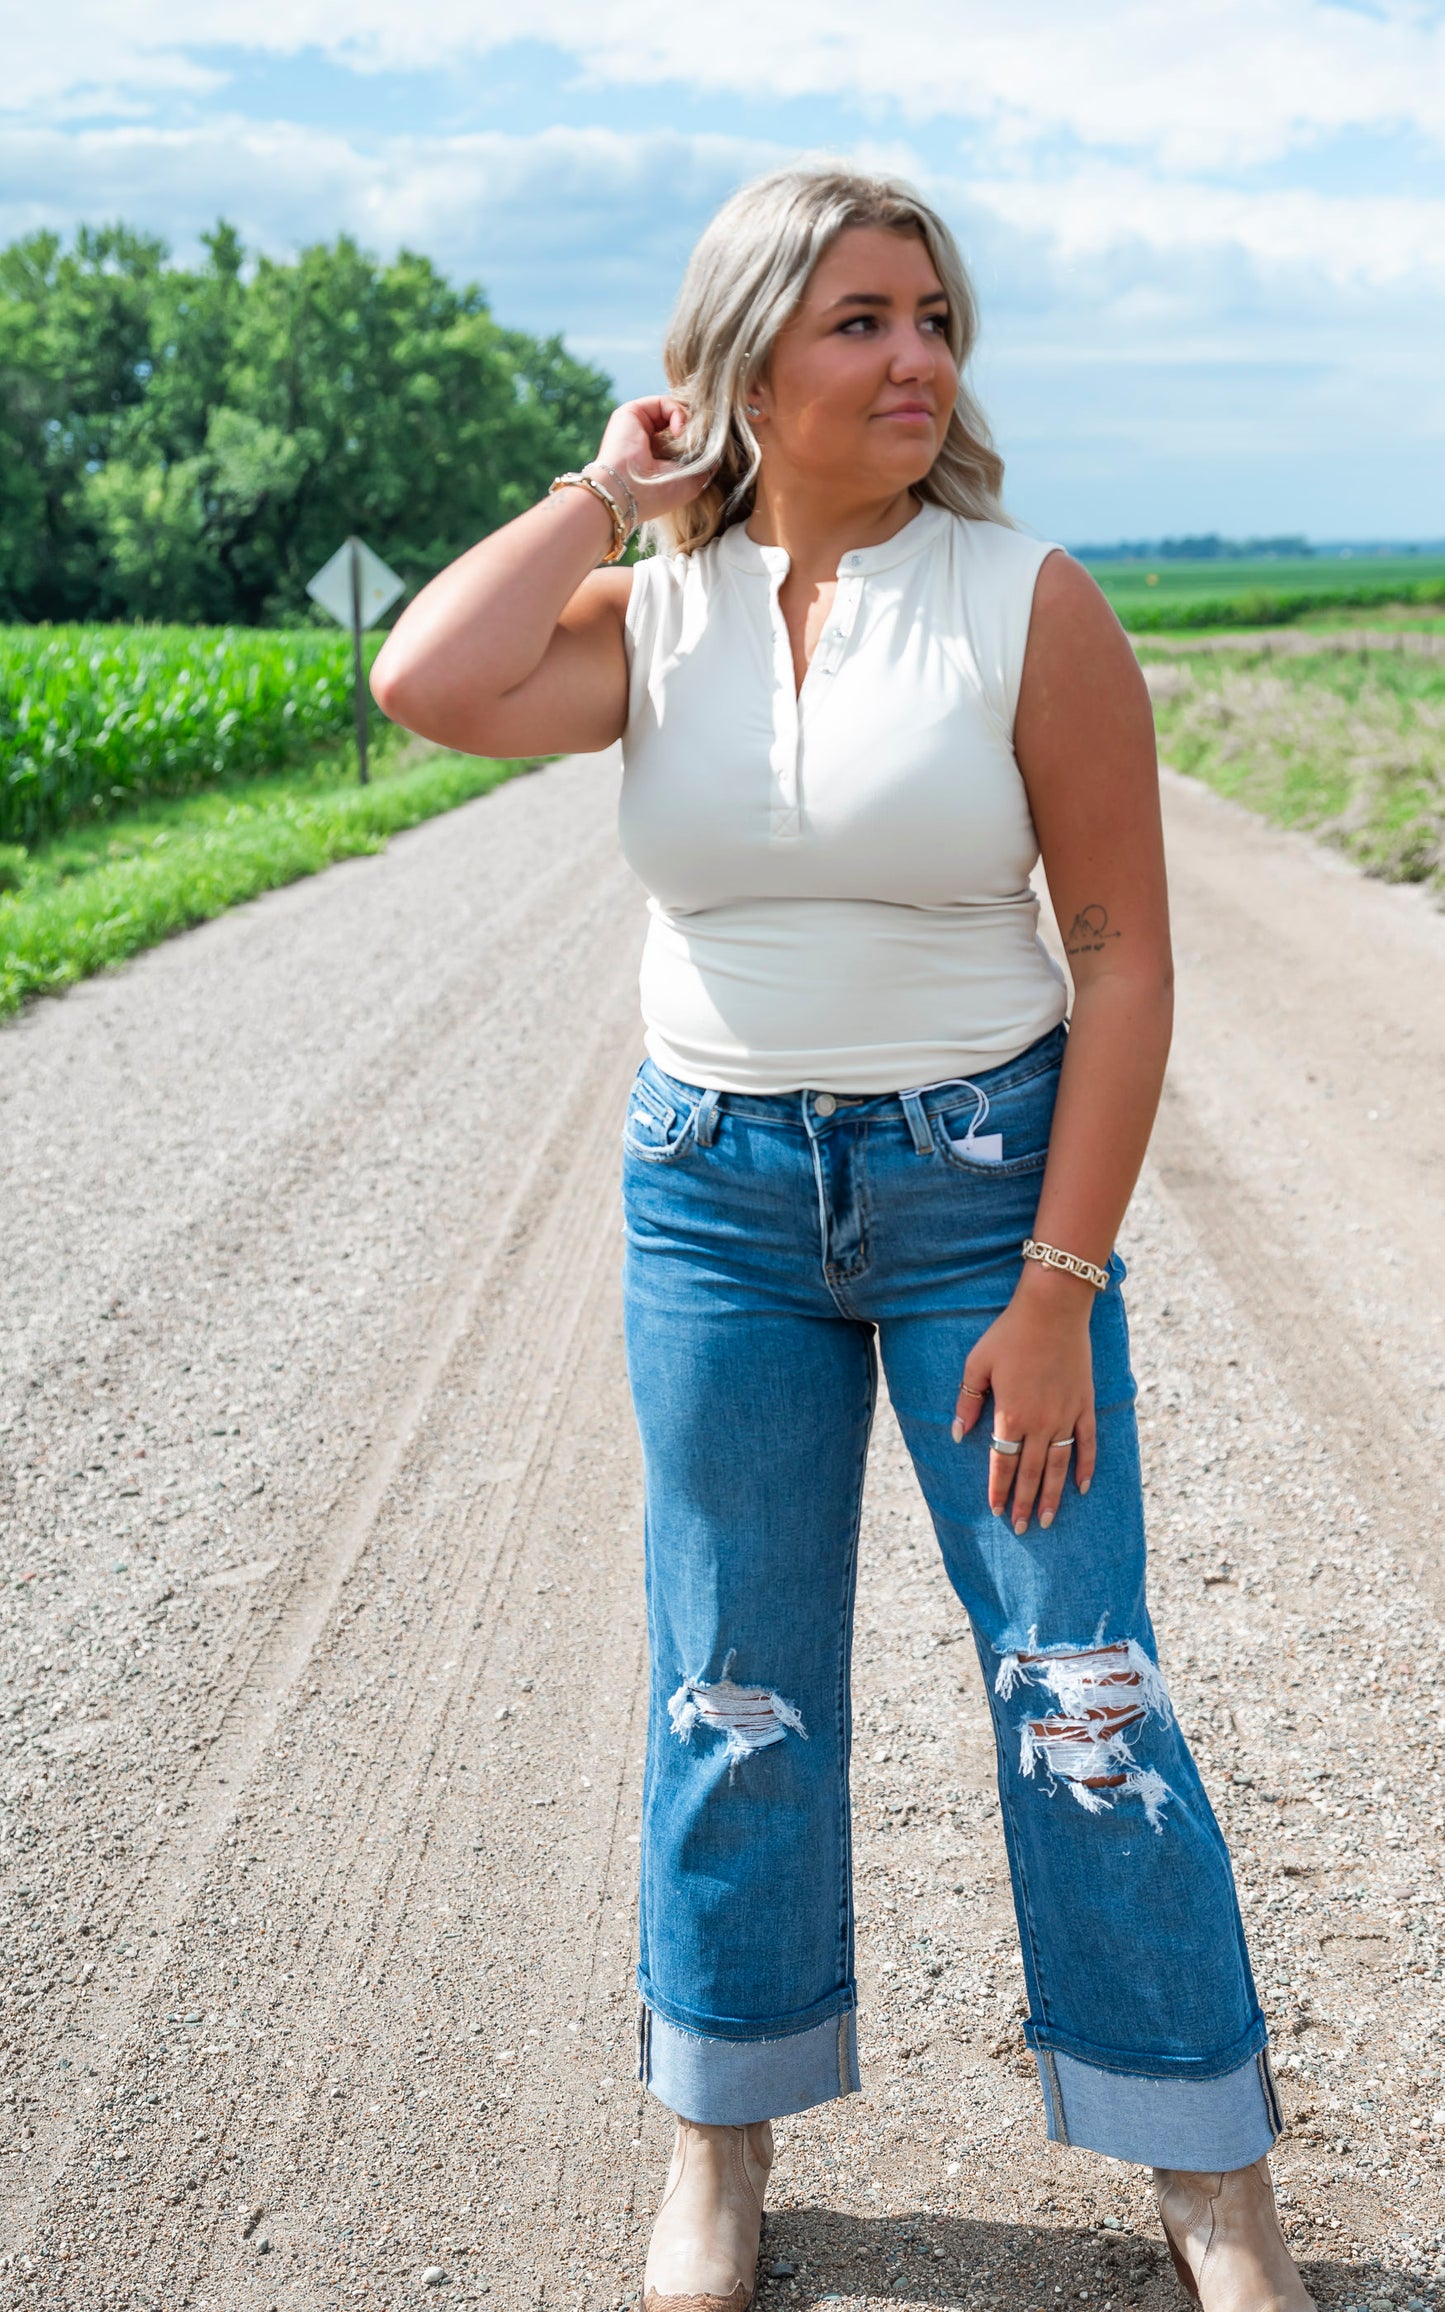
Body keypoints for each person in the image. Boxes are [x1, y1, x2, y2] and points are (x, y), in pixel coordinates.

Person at [370, 164, 1313, 2312]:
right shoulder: (657, 611)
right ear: (739, 360)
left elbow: (1124, 958)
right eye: (861, 320)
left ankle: (1208, 2168)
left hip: (983, 1196)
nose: (918, 361)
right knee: (732, 1687)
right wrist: (605, 492)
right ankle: (718, 2137)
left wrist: (1060, 1285)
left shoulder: (1021, 598)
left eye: (937, 320)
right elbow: (426, 676)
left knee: (1078, 1682)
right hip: (712, 1203)